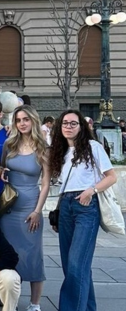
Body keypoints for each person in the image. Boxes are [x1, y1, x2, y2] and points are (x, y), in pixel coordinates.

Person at [48, 110, 117, 311]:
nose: (68, 127)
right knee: (72, 267)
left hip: (86, 206)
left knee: (77, 265)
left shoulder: (92, 147)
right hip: (66, 207)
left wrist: (91, 190)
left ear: (81, 127)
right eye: (65, 123)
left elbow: (111, 176)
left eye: (73, 123)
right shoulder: (59, 151)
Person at [0, 105, 50, 311]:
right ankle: (7, 300)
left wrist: (38, 211)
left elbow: (46, 183)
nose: (22, 123)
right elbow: (2, 166)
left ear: (33, 121)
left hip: (30, 207)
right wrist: (3, 170)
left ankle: (35, 303)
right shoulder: (9, 144)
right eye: (18, 120)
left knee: (32, 254)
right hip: (8, 207)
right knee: (8, 254)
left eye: (26, 119)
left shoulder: (43, 148)